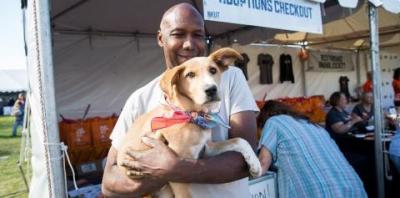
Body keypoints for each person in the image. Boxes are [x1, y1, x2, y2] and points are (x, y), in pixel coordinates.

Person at [101, 3, 259, 197]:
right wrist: (157, 174)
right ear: (161, 38)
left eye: (198, 35)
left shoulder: (228, 78)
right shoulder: (139, 99)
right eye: (178, 34)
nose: (189, 44)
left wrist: (177, 169)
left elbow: (246, 158)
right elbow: (109, 183)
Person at [257, 100, 367, 198]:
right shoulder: (315, 126)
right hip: (354, 189)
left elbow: (261, 165)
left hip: (318, 192)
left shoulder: (273, 121)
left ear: (265, 117)